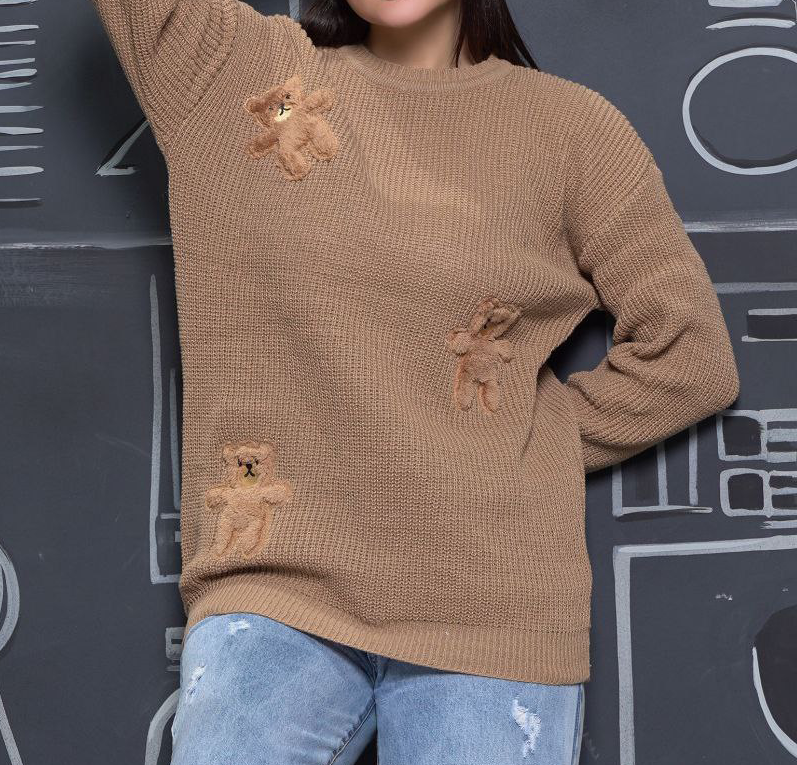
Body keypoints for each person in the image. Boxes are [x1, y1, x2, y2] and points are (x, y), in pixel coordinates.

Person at [89, 0, 740, 763]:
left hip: (489, 606)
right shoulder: (234, 70)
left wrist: (523, 439)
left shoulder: (569, 130)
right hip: (273, 589)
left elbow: (689, 356)